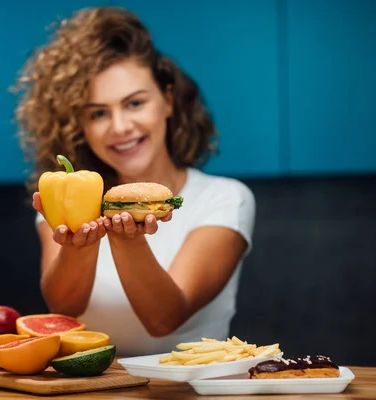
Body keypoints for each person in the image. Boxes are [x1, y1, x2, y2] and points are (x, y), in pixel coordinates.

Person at [13, 6, 256, 356]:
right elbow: (64, 310)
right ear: (80, 126)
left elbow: (164, 319)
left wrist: (126, 240)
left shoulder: (225, 199)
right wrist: (78, 246)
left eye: (135, 103)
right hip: (91, 390)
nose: (120, 126)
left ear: (167, 100)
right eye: (98, 112)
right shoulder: (66, 198)